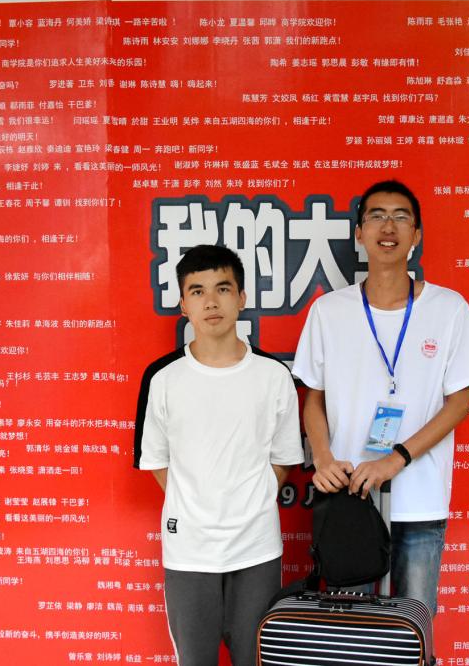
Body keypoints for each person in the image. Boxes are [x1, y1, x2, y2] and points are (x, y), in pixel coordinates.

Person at [292, 179, 469, 615]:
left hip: (419, 501)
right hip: (350, 499)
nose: (389, 227)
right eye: (377, 216)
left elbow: (460, 403)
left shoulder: (449, 309)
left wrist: (396, 459)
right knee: (353, 634)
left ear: (416, 234)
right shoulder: (329, 311)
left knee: (413, 628)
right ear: (359, 233)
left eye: (401, 217)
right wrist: (324, 459)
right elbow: (313, 398)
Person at [134, 244, 304, 666]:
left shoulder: (273, 376)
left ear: (242, 298)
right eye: (198, 291)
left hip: (256, 548)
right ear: (183, 304)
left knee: (255, 658)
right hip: (189, 551)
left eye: (223, 289)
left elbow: (284, 458)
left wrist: (251, 498)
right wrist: (197, 504)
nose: (211, 302)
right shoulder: (163, 378)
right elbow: (156, 460)